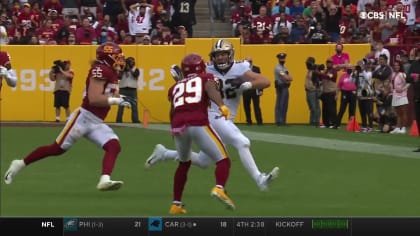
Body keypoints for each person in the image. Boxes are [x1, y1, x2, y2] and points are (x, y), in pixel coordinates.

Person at [146, 39, 279, 191]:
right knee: (241, 142)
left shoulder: (240, 68)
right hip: (211, 114)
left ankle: (164, 154)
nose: (221, 57)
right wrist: (180, 78)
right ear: (213, 57)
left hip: (226, 118)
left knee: (204, 162)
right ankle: (259, 178)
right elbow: (189, 81)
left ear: (230, 54)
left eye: (223, 54)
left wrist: (247, 84)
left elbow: (265, 81)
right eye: (218, 55)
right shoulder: (206, 69)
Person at [4, 42, 132, 191]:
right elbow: (94, 98)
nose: (120, 60)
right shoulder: (100, 69)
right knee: (56, 149)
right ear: (107, 57)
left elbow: (110, 93)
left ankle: (104, 179)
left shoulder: (111, 72)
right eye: (117, 57)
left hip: (96, 121)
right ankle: (19, 163)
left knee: (114, 146)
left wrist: (122, 98)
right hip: (83, 118)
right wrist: (117, 101)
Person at [167, 53, 234, 214]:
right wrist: (221, 105)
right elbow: (211, 88)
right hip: (197, 122)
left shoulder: (174, 87)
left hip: (178, 126)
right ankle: (219, 188)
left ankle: (176, 204)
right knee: (223, 160)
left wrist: (172, 128)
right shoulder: (206, 77)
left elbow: (173, 110)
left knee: (184, 164)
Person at [116, 57, 140, 123]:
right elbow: (119, 77)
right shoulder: (122, 69)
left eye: (133, 61)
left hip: (132, 89)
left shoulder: (136, 69)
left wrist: (130, 69)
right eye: (131, 61)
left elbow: (135, 75)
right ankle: (119, 120)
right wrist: (123, 69)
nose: (132, 63)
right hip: (123, 89)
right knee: (121, 105)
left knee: (134, 105)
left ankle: (135, 120)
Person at [390, 61, 409, 134]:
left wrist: (403, 89)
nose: (396, 67)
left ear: (400, 66)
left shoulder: (402, 74)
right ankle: (398, 127)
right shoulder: (393, 74)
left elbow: (408, 83)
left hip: (402, 96)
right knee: (397, 113)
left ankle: (403, 128)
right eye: (395, 65)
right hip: (395, 95)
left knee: (403, 112)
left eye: (397, 65)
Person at [242, 56, 263, 125]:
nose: (249, 63)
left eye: (250, 61)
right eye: (248, 61)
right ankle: (249, 121)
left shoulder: (256, 69)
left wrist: (261, 89)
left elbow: (260, 79)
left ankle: (259, 121)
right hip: (246, 90)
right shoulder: (242, 70)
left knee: (257, 107)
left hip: (255, 89)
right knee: (246, 106)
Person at [406, 48, 420, 151]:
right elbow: (408, 78)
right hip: (417, 96)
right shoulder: (414, 64)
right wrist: (414, 78)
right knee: (419, 120)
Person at [274, 52, 292, 126]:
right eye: (281, 58)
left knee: (284, 104)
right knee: (280, 104)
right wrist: (288, 78)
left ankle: (283, 120)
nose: (283, 59)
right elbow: (286, 77)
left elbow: (291, 77)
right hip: (281, 87)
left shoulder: (284, 67)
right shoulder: (278, 68)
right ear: (278, 59)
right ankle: (279, 121)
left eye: (283, 58)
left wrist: (288, 78)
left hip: (285, 86)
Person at [304, 56, 322, 127]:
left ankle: (316, 122)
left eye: (308, 63)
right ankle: (312, 121)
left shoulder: (315, 71)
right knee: (312, 107)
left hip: (313, 91)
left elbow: (318, 79)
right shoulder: (310, 70)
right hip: (308, 90)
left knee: (315, 107)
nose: (307, 64)